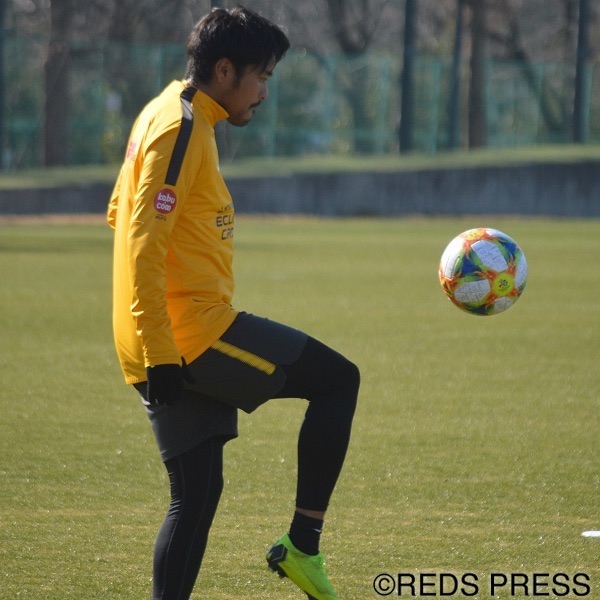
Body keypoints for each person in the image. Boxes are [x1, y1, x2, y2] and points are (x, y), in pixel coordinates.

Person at [107, 6, 359, 600]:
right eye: (262, 76)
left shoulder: (165, 110)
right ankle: (303, 545)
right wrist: (162, 350)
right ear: (224, 70)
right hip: (188, 336)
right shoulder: (182, 127)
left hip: (159, 335)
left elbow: (118, 211)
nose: (265, 92)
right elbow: (141, 240)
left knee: (196, 494)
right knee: (338, 380)